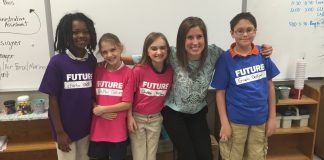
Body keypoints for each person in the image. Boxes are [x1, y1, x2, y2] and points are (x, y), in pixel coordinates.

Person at [123, 16, 273, 160]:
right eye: (189, 37)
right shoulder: (172, 53)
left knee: (205, 156)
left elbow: (238, 53)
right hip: (173, 113)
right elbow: (143, 57)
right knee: (188, 156)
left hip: (198, 112)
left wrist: (262, 49)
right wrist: (116, 59)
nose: (195, 42)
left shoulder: (213, 52)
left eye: (199, 36)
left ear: (205, 38)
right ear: (182, 39)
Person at [210, 12, 280, 160]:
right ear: (232, 33)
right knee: (232, 156)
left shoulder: (263, 54)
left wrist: (272, 118)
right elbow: (220, 93)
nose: (245, 34)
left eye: (249, 30)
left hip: (260, 120)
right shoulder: (225, 59)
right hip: (235, 122)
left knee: (257, 155)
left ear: (255, 31)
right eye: (240, 30)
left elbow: (270, 87)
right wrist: (224, 123)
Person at [39, 12, 97, 160]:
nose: (81, 35)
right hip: (65, 132)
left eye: (85, 31)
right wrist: (59, 132)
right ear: (66, 34)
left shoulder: (91, 61)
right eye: (75, 32)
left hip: (87, 129)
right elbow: (52, 100)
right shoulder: (57, 62)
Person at [127, 32, 173, 160]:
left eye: (162, 48)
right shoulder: (138, 70)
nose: (159, 52)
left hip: (156, 120)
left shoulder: (170, 71)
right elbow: (128, 96)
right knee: (139, 156)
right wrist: (129, 117)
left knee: (151, 156)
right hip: (137, 119)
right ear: (147, 51)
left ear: (167, 50)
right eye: (154, 48)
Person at [88, 33, 133, 160]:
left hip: (117, 132)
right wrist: (97, 109)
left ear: (120, 48)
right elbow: (92, 97)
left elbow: (127, 103)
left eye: (113, 50)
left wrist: (102, 110)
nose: (109, 55)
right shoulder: (98, 70)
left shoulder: (129, 73)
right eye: (104, 52)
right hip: (98, 130)